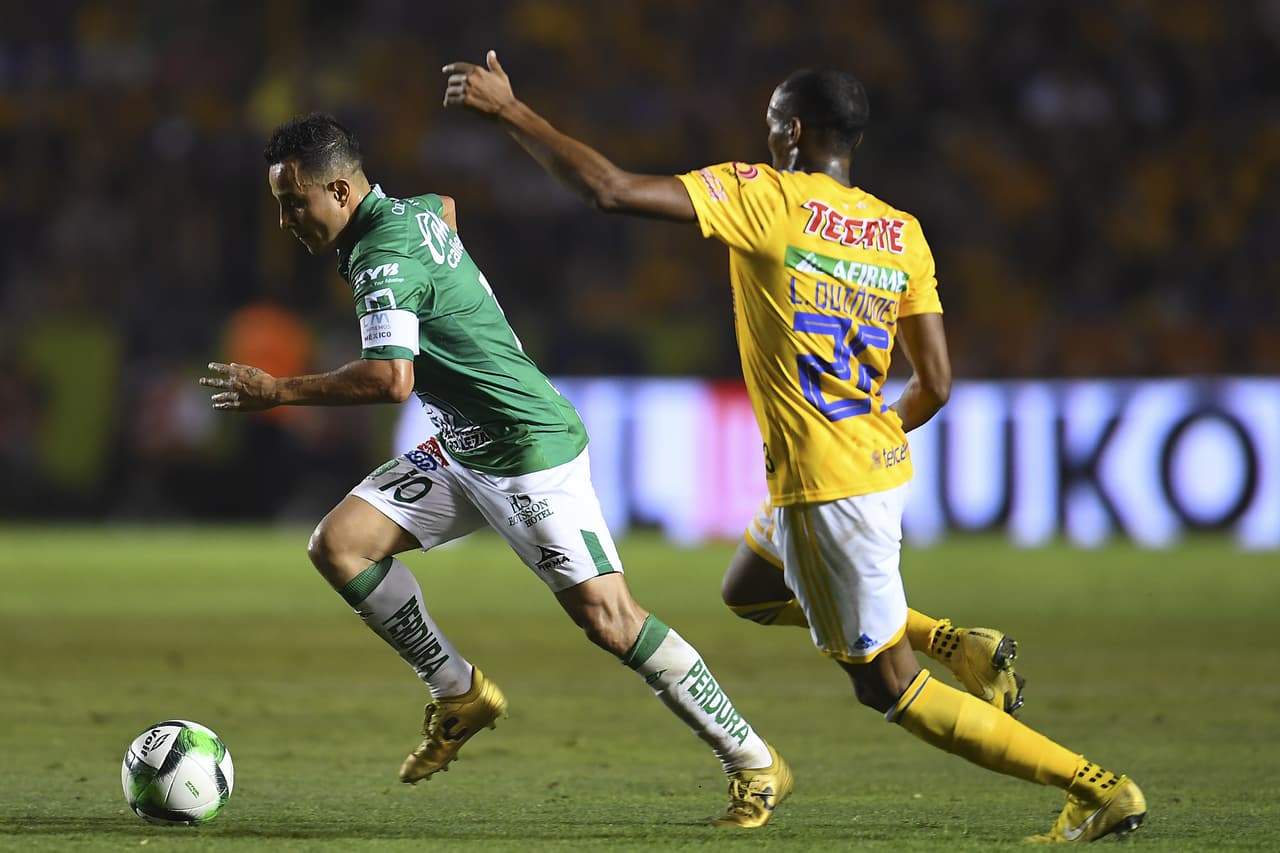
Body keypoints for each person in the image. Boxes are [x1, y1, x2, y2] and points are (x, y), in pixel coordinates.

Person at [441, 52, 1147, 843]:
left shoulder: (767, 196)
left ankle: (1095, 784)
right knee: (747, 588)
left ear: (794, 132)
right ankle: (957, 640)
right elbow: (937, 384)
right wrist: (868, 434)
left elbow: (609, 189)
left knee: (888, 688)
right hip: (872, 464)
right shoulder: (901, 233)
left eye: (773, 121)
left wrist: (511, 112)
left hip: (825, 487)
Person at [199, 112, 792, 829]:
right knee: (339, 543)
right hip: (463, 442)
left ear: (343, 189)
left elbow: (391, 382)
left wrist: (279, 390)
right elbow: (443, 208)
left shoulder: (383, 256)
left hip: (525, 450)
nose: (287, 218)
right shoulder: (405, 214)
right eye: (279, 203)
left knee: (610, 620)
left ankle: (753, 759)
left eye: (296, 201)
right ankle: (458, 691)